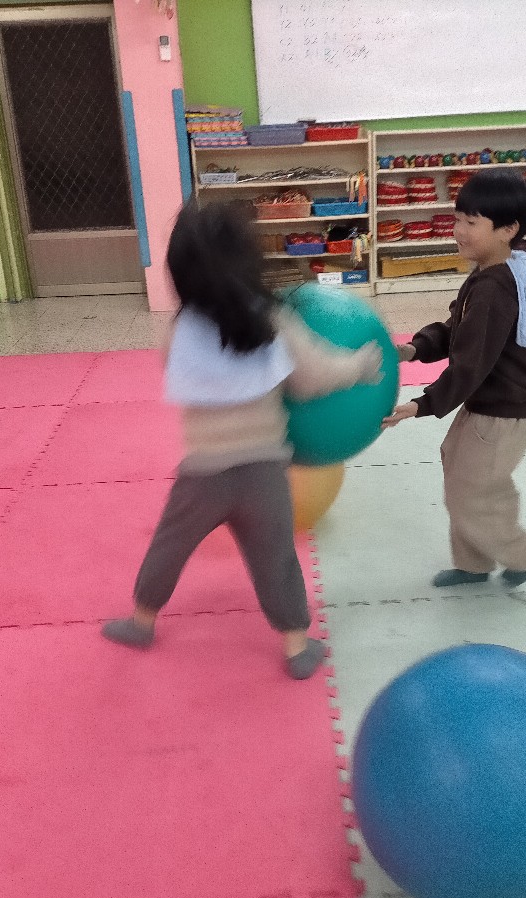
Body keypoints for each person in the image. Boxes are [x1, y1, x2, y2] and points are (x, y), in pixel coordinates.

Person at [101, 199, 381, 679]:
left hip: (202, 474)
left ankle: (141, 620)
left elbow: (176, 370)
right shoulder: (274, 321)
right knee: (276, 559)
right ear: (251, 261)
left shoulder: (178, 330)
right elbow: (313, 377)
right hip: (263, 472)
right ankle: (296, 646)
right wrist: (359, 366)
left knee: (169, 546)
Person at [382, 168, 526, 588]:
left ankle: (523, 554)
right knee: (459, 477)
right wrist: (416, 348)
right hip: (484, 404)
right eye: (457, 219)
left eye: (471, 222)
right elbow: (458, 330)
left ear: (508, 229)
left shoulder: (495, 288)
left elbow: (471, 364)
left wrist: (421, 404)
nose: (458, 230)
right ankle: (473, 564)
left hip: (500, 412)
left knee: (475, 491)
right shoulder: (488, 272)